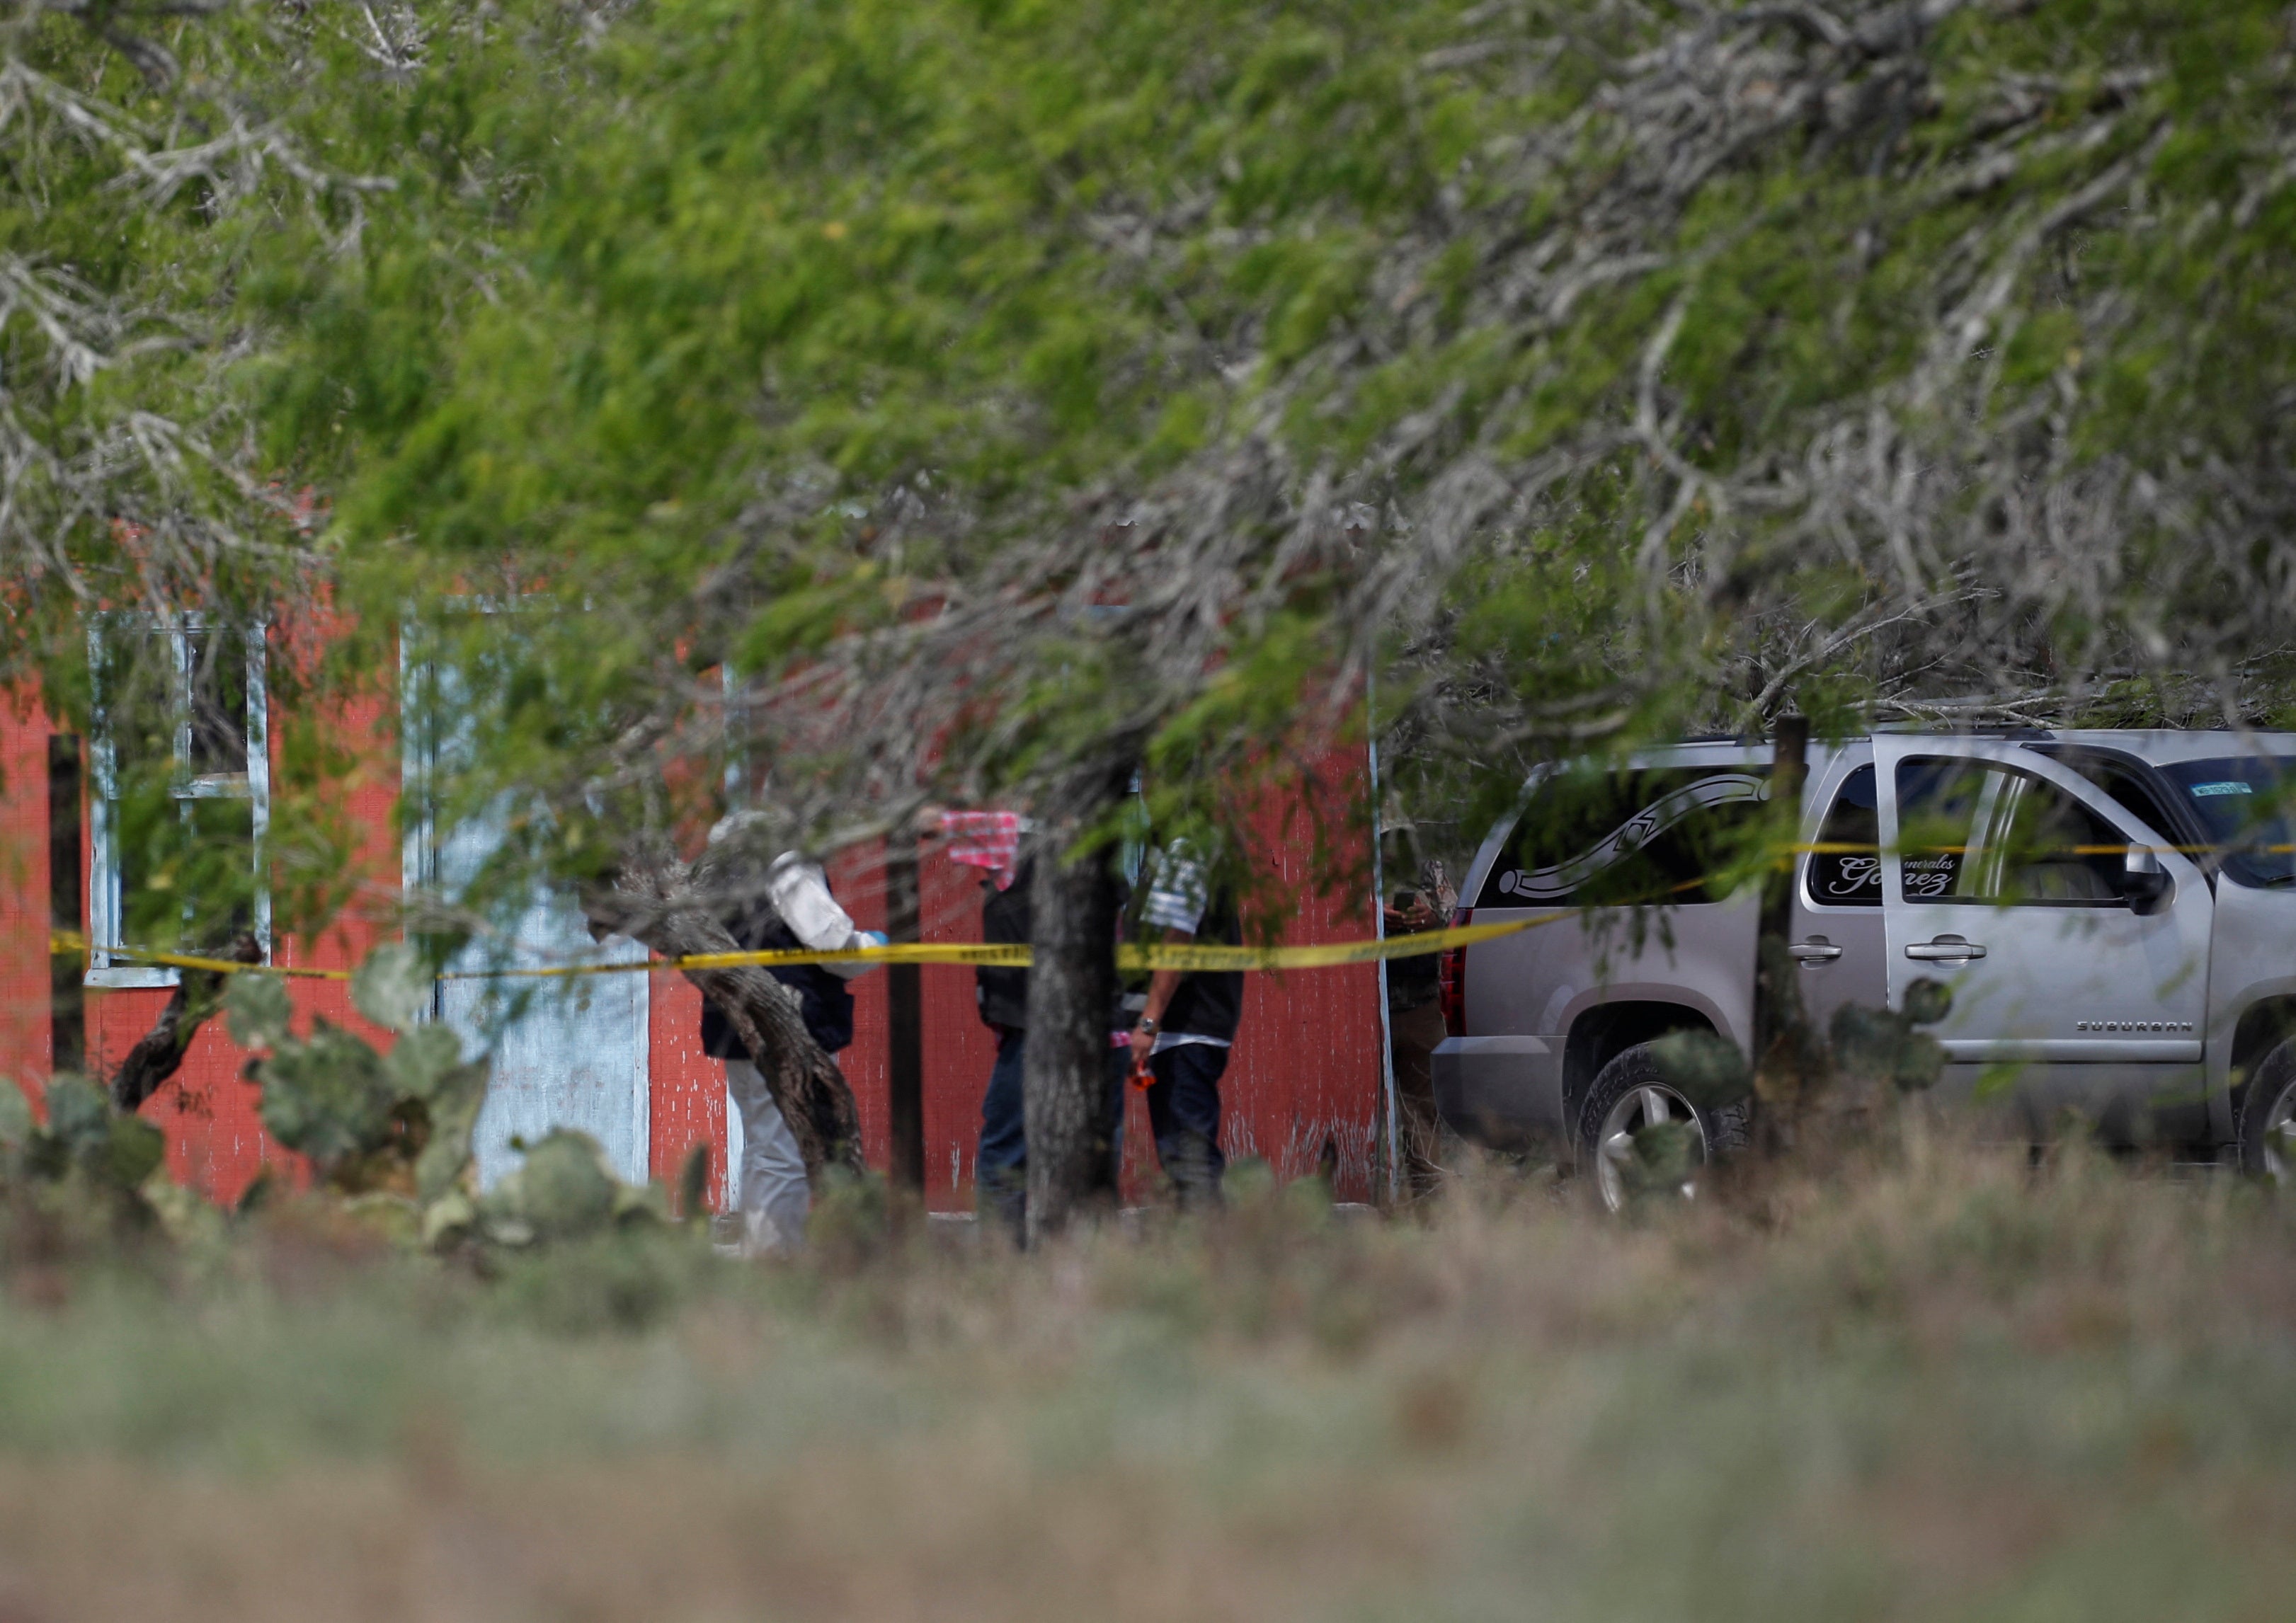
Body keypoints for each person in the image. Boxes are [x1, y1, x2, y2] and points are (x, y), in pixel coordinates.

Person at [701, 826, 884, 1256]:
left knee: (764, 1146)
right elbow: (833, 945)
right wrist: (872, 948)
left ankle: (762, 1251)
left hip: (739, 1024)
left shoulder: (720, 871)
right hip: (788, 1024)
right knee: (784, 1151)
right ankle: (776, 1260)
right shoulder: (787, 865)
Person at [1126, 840, 1243, 1209]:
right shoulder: (1182, 847)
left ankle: (1209, 1256)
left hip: (1184, 1030)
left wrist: (1148, 1022)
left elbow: (1177, 937)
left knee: (1190, 1163)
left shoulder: (1184, 850)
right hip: (1182, 1031)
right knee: (1182, 1161)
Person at [1383, 860, 1456, 1200]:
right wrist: (1372, 917)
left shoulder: (1429, 867)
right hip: (1368, 1010)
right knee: (1362, 1113)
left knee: (1423, 1117)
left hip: (1421, 1008)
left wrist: (1430, 917)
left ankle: (1428, 1209)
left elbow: (1454, 917)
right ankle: (1375, 1202)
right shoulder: (1348, 857)